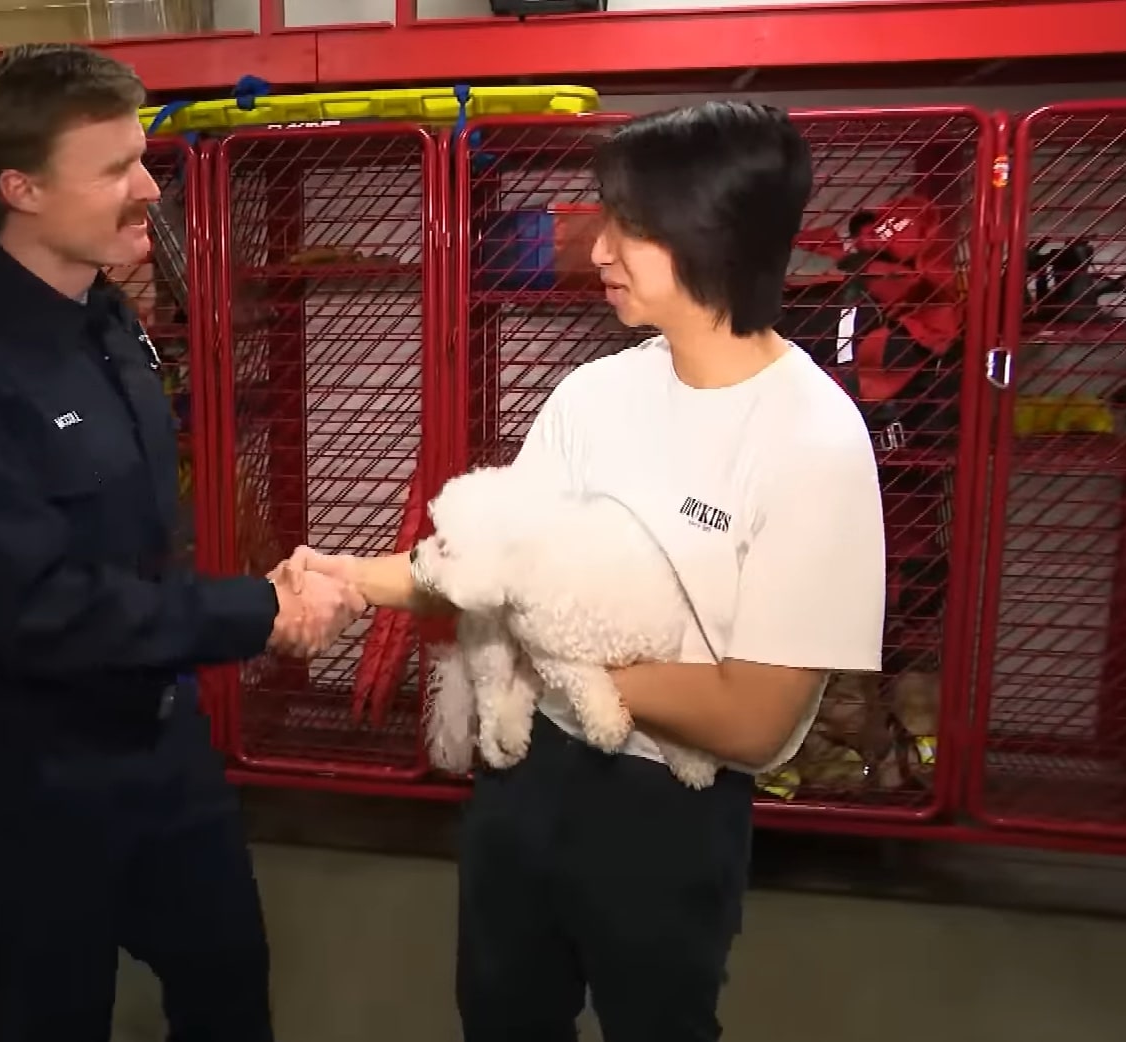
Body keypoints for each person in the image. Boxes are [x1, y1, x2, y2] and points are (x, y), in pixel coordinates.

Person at [290, 101, 887, 1041]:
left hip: (664, 808)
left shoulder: (811, 438)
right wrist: (348, 577)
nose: (597, 248)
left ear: (714, 234)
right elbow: (495, 564)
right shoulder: (595, 393)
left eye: (628, 226)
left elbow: (755, 715)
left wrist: (558, 653)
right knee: (500, 1013)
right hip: (526, 770)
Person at [0, 43, 362, 1042]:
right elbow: (39, 609)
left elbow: (134, 550)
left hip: (165, 745)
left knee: (229, 986)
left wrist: (249, 595)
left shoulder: (106, 321)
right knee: (46, 1018)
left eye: (142, 158)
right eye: (115, 169)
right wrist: (258, 612)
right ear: (22, 189)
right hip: (38, 782)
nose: (148, 186)